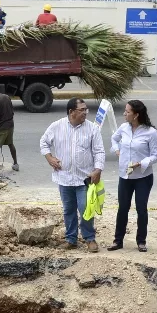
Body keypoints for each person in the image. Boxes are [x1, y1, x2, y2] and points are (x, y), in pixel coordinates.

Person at [39, 98, 105, 252]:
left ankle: (89, 238)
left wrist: (98, 169)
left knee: (85, 209)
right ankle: (71, 239)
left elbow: (99, 151)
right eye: (81, 110)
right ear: (71, 112)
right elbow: (43, 142)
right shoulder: (57, 126)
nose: (85, 112)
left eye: (85, 109)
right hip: (64, 177)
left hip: (84, 179)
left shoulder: (92, 129)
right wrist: (49, 158)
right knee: (68, 210)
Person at [107, 100, 157, 253]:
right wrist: (117, 150)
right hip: (125, 176)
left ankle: (141, 241)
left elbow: (155, 156)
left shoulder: (151, 132)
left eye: (127, 112)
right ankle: (118, 240)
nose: (124, 114)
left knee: (141, 209)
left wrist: (141, 163)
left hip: (143, 177)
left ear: (136, 115)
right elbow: (114, 139)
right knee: (122, 208)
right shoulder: (124, 128)